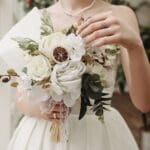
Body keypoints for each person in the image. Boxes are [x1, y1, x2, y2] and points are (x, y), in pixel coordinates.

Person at [1, 0, 150, 150]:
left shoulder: (120, 15)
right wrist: (41, 110)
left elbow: (145, 103)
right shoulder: (38, 18)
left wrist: (135, 46)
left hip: (98, 138)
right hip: (43, 138)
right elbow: (20, 97)